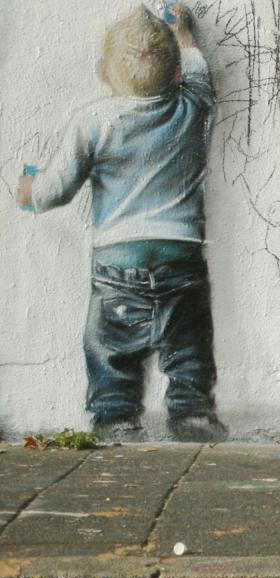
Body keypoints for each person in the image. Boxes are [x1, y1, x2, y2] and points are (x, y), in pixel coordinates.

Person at [16, 5, 226, 443]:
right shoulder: (193, 106)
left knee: (109, 347)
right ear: (175, 75)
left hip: (117, 263)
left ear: (102, 74)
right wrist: (182, 33)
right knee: (188, 344)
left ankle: (115, 417)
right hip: (181, 256)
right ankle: (192, 412)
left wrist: (29, 190)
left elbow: (55, 190)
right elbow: (198, 69)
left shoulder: (94, 121)